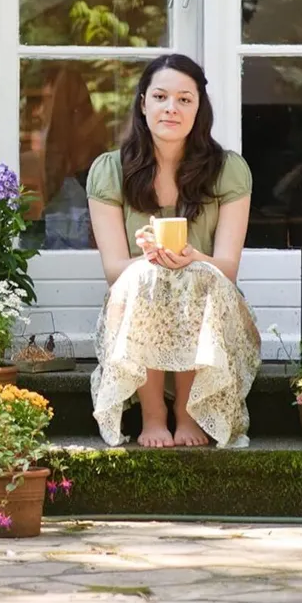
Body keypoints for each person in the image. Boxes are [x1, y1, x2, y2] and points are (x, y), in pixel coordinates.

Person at [86, 54, 261, 448]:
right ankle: (153, 416)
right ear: (143, 103)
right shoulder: (110, 171)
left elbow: (227, 269)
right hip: (136, 303)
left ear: (199, 109)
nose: (172, 108)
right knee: (149, 275)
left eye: (185, 99)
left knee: (194, 276)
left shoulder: (228, 170)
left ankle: (188, 412)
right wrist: (152, 258)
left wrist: (192, 257)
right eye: (161, 97)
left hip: (211, 305)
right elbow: (115, 270)